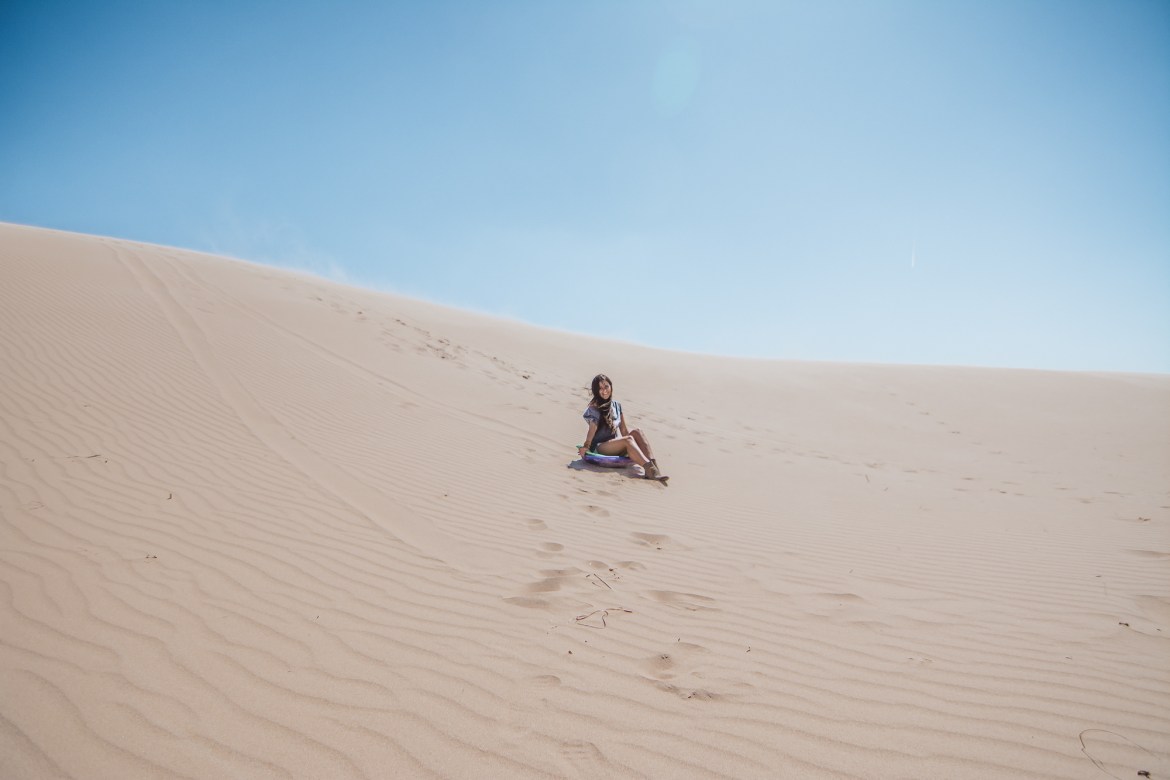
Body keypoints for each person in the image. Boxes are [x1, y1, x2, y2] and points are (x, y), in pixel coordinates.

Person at [577, 373, 667, 480]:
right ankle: (650, 470)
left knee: (637, 432)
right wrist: (586, 446)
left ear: (611, 386)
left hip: (614, 445)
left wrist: (632, 444)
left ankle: (654, 469)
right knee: (628, 440)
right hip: (600, 447)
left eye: (606, 386)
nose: (604, 390)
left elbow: (624, 430)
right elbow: (593, 428)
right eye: (600, 388)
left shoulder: (617, 406)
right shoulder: (594, 408)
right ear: (596, 391)